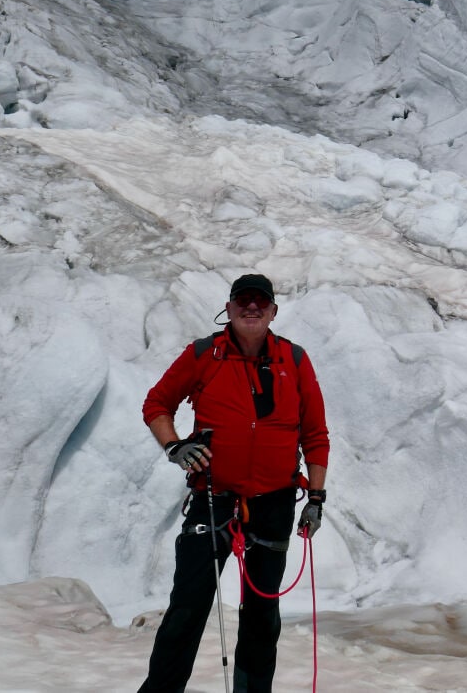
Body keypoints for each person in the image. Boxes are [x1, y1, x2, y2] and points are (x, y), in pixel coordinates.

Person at [138, 273, 330, 693]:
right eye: (242, 300)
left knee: (262, 612)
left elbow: (315, 435)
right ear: (228, 308)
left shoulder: (294, 361)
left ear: (273, 311)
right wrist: (174, 447)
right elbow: (157, 403)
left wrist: (316, 498)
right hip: (214, 499)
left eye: (260, 301)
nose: (251, 307)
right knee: (188, 607)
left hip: (275, 503)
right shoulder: (205, 354)